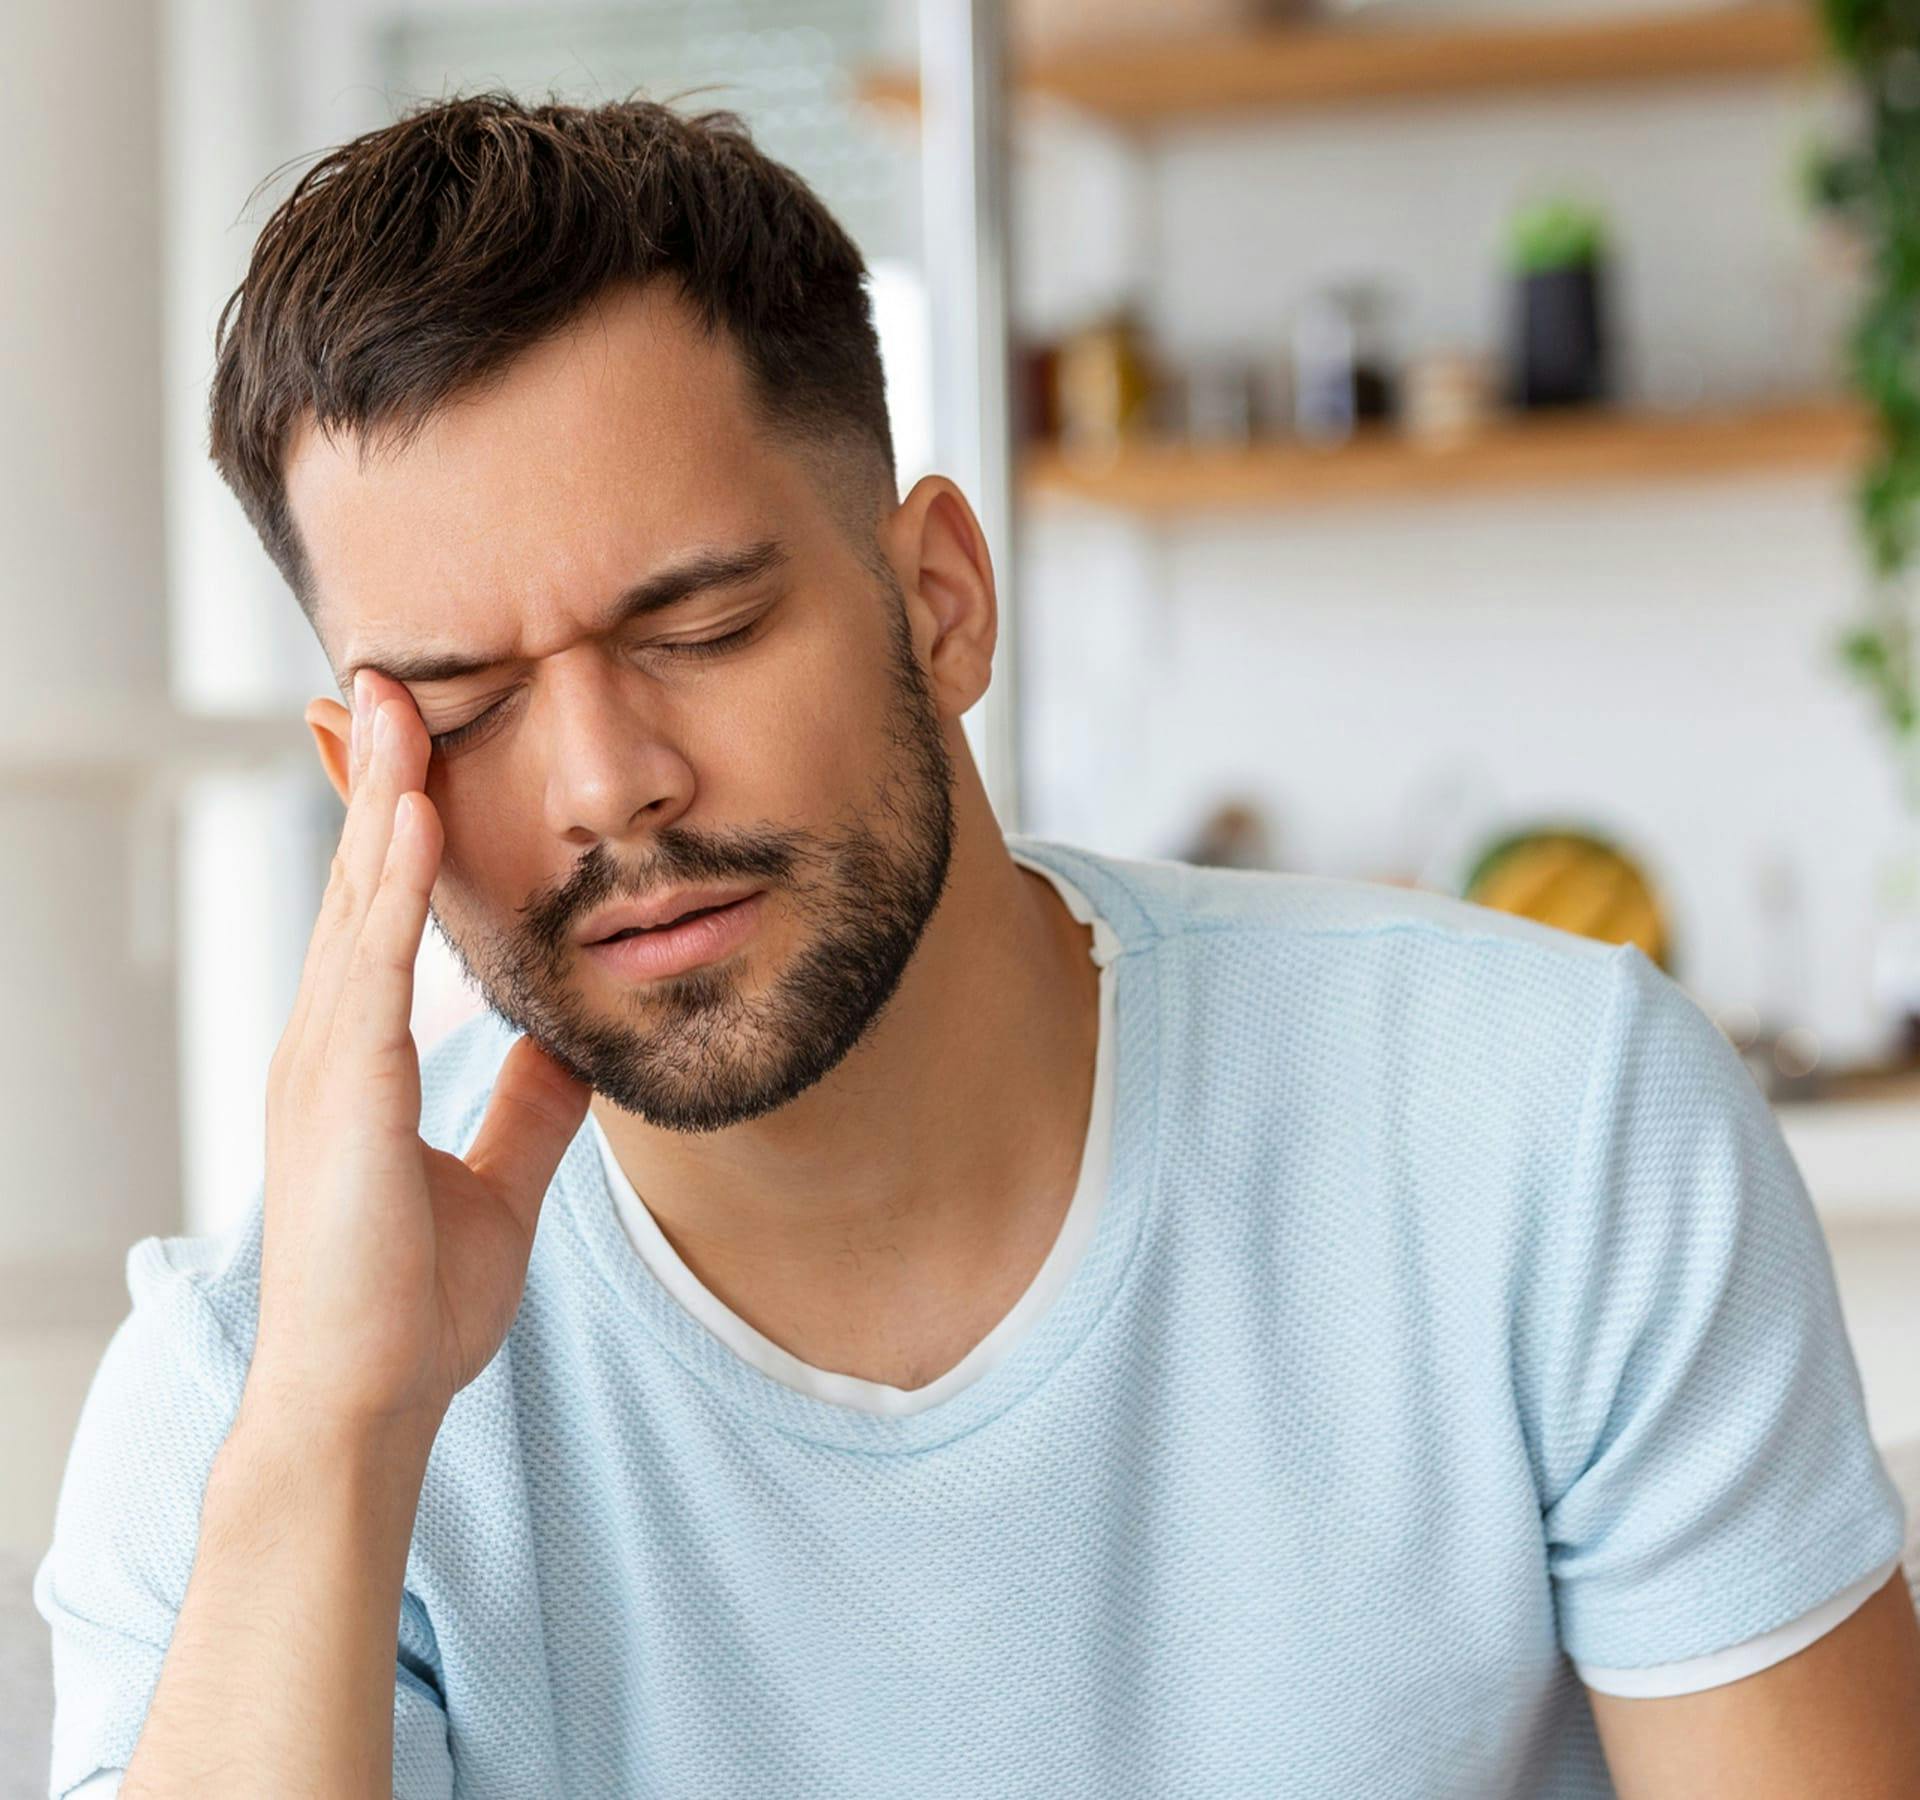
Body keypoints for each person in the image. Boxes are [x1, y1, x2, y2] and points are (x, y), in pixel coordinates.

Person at [33, 93, 1920, 1799]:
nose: (609, 785)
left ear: (938, 599)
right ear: (368, 783)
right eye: (464, 707)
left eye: (698, 628)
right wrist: (335, 1439)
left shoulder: (1549, 1124)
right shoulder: (244, 1401)